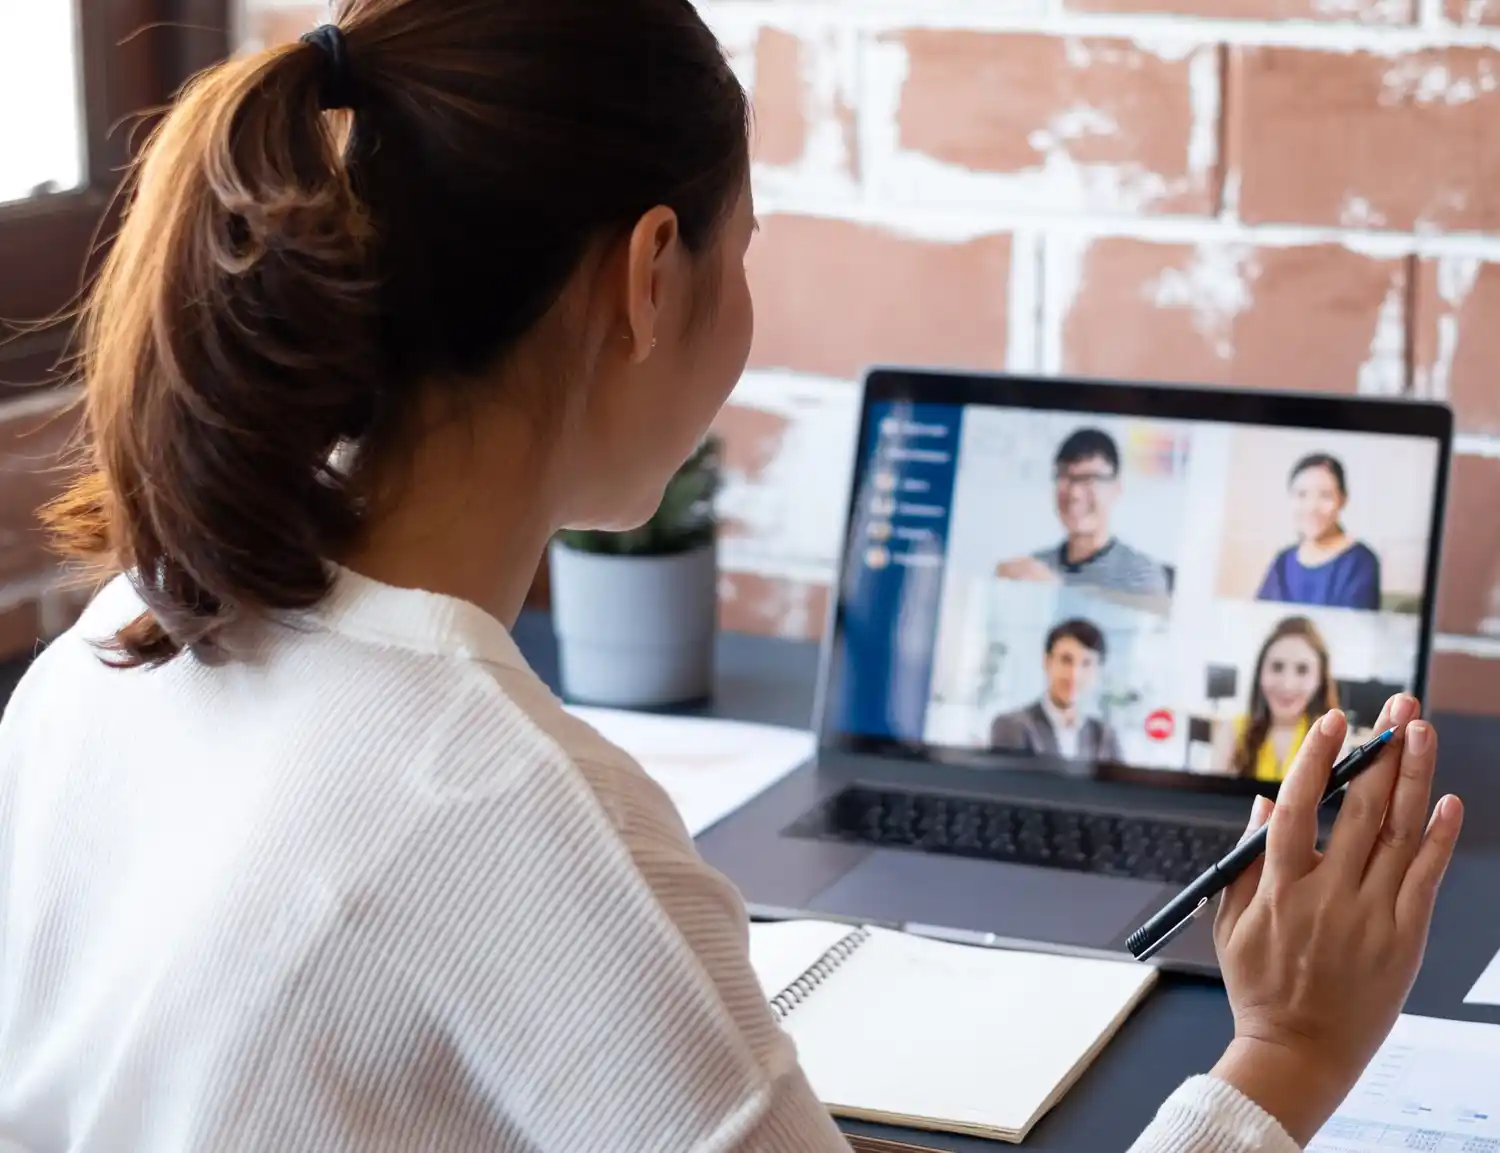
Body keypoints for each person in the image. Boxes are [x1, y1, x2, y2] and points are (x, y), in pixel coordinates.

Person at [0, 4, 1463, 1151]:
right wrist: (1286, 1055)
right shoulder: (507, 816)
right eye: (743, 246)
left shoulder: (106, 656)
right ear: (650, 273)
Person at [996, 428, 1172, 599]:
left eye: (1089, 479)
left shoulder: (1141, 574)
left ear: (1116, 488)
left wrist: (1054, 594)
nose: (1074, 493)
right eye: (1064, 477)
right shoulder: (1036, 567)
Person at [1220, 616, 1341, 782]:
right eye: (1277, 667)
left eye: (1302, 670)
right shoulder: (1233, 732)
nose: (1288, 685)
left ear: (1319, 679)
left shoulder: (1331, 739)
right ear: (1260, 672)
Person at [1257, 453, 1382, 611]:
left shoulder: (1361, 561)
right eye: (1302, 495)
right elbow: (1261, 620)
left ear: (1343, 500)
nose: (1312, 507)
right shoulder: (1283, 560)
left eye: (1325, 496)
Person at [990, 618, 1124, 764]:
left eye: (1086, 663)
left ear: (1098, 671)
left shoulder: (1105, 737)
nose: (1074, 674)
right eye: (1066, 660)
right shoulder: (1013, 726)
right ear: (1047, 662)